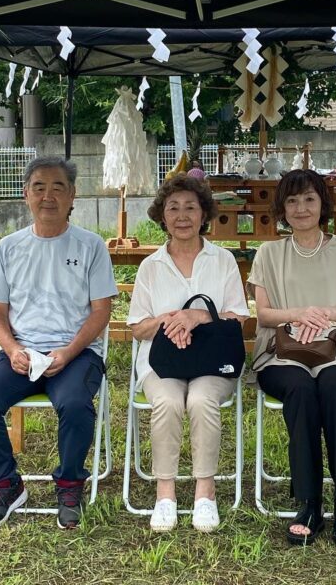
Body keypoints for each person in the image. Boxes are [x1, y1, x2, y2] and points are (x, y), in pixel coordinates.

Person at [0, 157, 118, 530]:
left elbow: (101, 311)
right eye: (39, 187)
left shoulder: (91, 245)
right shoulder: (8, 247)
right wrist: (14, 349)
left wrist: (68, 352)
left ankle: (69, 485)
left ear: (73, 196)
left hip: (76, 352)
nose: (48, 196)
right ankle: (5, 485)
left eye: (58, 187)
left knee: (75, 404)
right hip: (21, 352)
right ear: (25, 194)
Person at [249, 168, 336, 547]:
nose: (301, 207)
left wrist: (320, 316)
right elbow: (265, 315)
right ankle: (307, 502)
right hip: (282, 351)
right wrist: (300, 315)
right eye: (292, 200)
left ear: (323, 204)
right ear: (281, 208)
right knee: (302, 389)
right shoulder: (269, 253)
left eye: (309, 198)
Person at [127, 173, 249, 533]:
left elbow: (239, 317)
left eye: (190, 208)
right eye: (173, 208)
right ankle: (165, 494)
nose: (182, 216)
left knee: (199, 401)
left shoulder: (223, 259)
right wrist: (171, 321)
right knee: (167, 402)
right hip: (161, 361)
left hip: (213, 360)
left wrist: (198, 317)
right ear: (161, 216)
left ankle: (204, 493)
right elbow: (137, 327)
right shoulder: (151, 266)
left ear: (204, 214)